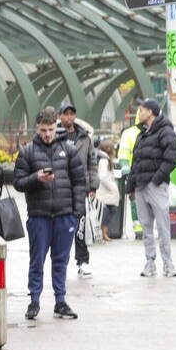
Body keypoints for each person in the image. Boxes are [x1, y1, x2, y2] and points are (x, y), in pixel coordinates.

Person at [14, 106, 87, 321]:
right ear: (37, 128)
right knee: (36, 260)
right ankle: (34, 300)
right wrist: (36, 178)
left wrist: (76, 213)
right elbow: (18, 183)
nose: (47, 134)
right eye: (43, 130)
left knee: (60, 260)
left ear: (56, 127)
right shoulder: (27, 152)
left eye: (51, 129)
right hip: (39, 216)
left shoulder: (69, 149)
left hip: (64, 215)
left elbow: (79, 182)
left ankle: (60, 301)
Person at [127, 98, 176, 278]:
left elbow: (172, 158)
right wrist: (131, 186)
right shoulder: (141, 135)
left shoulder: (166, 131)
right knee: (146, 227)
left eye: (142, 110)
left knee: (163, 226)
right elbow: (135, 162)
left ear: (150, 112)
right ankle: (150, 262)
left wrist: (156, 179)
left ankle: (168, 263)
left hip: (155, 186)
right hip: (141, 187)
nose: (139, 113)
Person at [55, 103, 99, 277]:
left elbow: (92, 162)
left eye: (72, 113)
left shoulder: (84, 137)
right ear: (59, 116)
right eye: (65, 114)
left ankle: (83, 261)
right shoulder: (54, 136)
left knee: (80, 226)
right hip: (59, 187)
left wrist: (93, 186)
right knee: (62, 228)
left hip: (80, 187)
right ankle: (61, 262)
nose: (69, 117)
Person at [95, 139, 119, 243]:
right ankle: (102, 233)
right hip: (105, 191)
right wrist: (113, 187)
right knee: (108, 211)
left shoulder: (104, 159)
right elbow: (102, 176)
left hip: (105, 191)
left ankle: (103, 233)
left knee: (109, 210)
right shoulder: (104, 161)